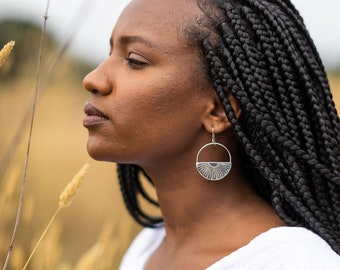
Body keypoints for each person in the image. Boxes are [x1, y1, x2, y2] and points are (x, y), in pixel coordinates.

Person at [82, 0, 340, 269]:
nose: (93, 79)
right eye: (110, 52)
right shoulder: (147, 247)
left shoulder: (296, 263)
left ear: (219, 110)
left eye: (135, 60)